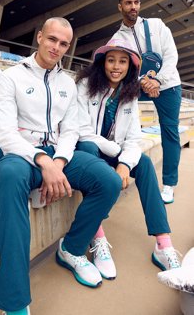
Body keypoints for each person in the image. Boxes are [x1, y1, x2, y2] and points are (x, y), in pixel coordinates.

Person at [0, 17, 122, 315]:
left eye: (64, 44)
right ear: (39, 37)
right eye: (52, 39)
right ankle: (15, 303)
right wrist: (42, 161)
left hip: (60, 154)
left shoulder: (68, 82)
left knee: (109, 180)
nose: (57, 48)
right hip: (24, 155)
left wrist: (59, 162)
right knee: (9, 178)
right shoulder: (10, 76)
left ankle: (72, 249)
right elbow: (5, 133)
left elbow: (72, 130)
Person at [76, 38, 181, 280]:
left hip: (113, 154)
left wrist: (125, 164)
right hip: (87, 151)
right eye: (111, 60)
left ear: (130, 66)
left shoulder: (131, 93)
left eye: (122, 61)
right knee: (89, 147)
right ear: (102, 62)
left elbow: (134, 138)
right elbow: (82, 131)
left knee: (142, 162)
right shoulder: (84, 85)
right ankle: (97, 233)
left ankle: (163, 244)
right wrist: (117, 154)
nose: (116, 66)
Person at [111, 0, 182, 204]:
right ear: (120, 7)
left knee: (170, 131)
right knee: (114, 109)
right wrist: (144, 81)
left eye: (136, 2)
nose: (133, 6)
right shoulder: (117, 38)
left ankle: (169, 185)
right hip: (139, 86)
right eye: (128, 3)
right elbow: (122, 68)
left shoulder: (157, 25)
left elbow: (171, 55)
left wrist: (158, 80)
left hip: (168, 85)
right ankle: (113, 164)